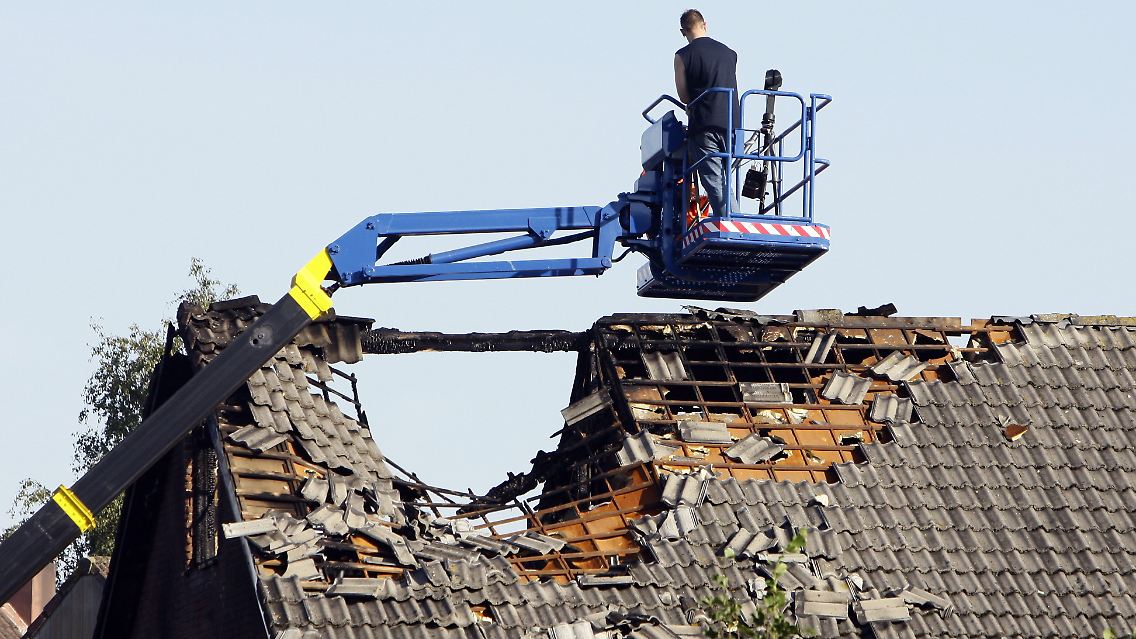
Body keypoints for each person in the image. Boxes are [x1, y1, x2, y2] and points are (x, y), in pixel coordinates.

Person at [674, 9, 740, 216]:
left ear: (683, 32)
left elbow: (684, 97)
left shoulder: (682, 56)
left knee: (714, 179)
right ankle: (735, 218)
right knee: (725, 178)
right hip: (732, 123)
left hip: (704, 124)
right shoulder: (730, 53)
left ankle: (733, 223)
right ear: (705, 24)